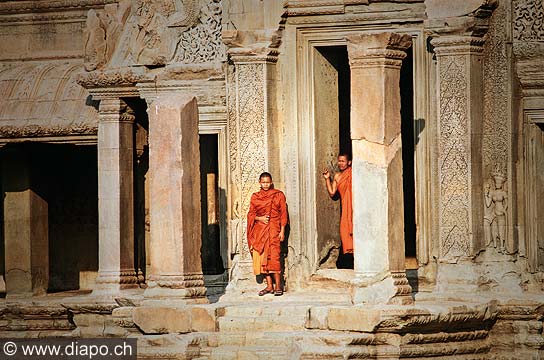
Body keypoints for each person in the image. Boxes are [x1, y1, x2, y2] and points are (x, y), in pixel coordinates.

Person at [247, 172, 288, 296]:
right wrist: (260, 219)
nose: (265, 184)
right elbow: (251, 214)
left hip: (274, 229)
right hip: (259, 231)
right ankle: (269, 286)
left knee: (274, 257)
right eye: (263, 182)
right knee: (261, 257)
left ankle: (278, 286)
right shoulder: (255, 196)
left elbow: (283, 214)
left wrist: (282, 231)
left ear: (271, 182)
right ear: (259, 182)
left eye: (267, 182)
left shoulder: (278, 195)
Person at [322, 154, 353, 258]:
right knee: (345, 232)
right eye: (339, 161)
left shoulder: (354, 172)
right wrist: (327, 179)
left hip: (356, 206)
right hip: (345, 207)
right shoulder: (337, 176)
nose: (341, 163)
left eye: (343, 161)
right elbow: (332, 193)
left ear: (349, 162)